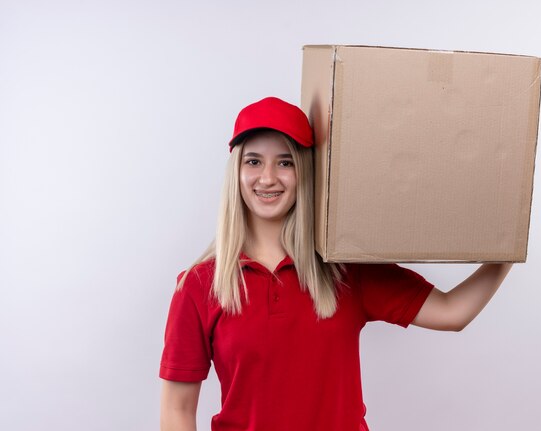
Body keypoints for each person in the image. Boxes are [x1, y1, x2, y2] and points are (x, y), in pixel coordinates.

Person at [159, 97, 513, 431]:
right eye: (254, 161)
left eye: (285, 162)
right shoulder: (199, 285)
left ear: (305, 173)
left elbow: (452, 312)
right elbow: (177, 409)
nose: (267, 177)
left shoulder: (345, 270)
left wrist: (509, 247)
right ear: (236, 172)